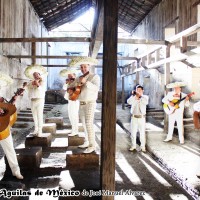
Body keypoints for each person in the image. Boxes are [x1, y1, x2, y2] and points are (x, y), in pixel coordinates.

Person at [68, 57, 100, 154]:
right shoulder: (78, 77)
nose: (83, 69)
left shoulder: (95, 77)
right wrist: (70, 88)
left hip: (90, 103)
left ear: (89, 66)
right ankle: (87, 142)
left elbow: (96, 88)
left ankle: (92, 145)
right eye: (81, 67)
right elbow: (71, 86)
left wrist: (86, 82)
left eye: (85, 67)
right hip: (81, 103)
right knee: (84, 125)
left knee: (89, 124)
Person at [0, 73, 23, 179]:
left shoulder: (1, 99)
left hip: (3, 129)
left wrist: (14, 99)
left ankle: (16, 171)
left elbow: (8, 110)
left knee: (10, 150)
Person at [24, 65, 47, 137]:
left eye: (37, 74)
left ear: (39, 75)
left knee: (39, 115)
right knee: (34, 115)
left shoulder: (42, 81)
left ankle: (40, 131)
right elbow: (27, 90)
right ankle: (36, 129)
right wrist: (25, 86)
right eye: (34, 75)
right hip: (32, 100)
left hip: (40, 100)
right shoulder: (31, 82)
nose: (35, 76)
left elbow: (42, 90)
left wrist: (38, 84)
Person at [127, 84, 149, 152]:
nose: (138, 91)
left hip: (141, 118)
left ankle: (143, 147)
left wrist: (140, 96)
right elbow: (128, 102)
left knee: (142, 133)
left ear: (142, 91)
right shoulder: (133, 97)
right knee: (133, 133)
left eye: (140, 90)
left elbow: (146, 102)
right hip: (134, 117)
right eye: (137, 90)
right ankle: (133, 146)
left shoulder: (145, 97)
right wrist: (134, 96)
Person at [60, 70, 79, 136]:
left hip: (75, 100)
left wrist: (72, 83)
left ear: (74, 75)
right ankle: (73, 129)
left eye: (71, 76)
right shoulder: (68, 82)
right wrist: (67, 83)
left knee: (74, 116)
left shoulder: (77, 81)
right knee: (70, 116)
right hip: (70, 100)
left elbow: (77, 89)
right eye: (68, 76)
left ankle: (75, 131)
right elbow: (64, 88)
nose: (69, 77)